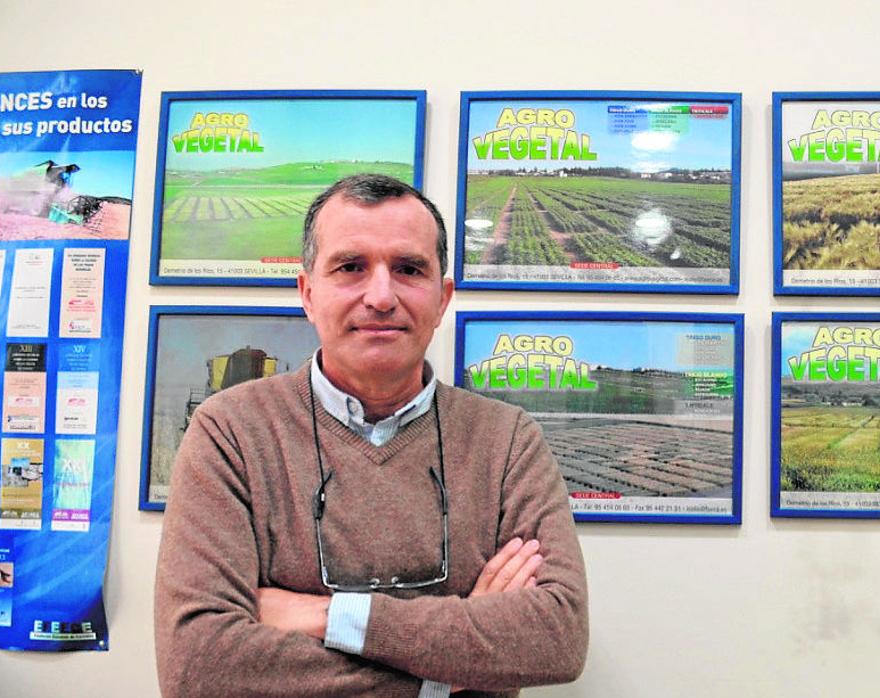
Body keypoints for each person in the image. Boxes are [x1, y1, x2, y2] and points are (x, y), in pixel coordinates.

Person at [154, 174, 588, 697]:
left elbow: (556, 637)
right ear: (308, 294)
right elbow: (198, 667)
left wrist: (328, 616)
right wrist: (450, 671)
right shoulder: (231, 433)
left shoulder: (508, 440)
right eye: (350, 267)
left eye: (409, 269)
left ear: (442, 298)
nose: (381, 297)